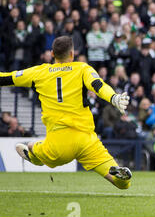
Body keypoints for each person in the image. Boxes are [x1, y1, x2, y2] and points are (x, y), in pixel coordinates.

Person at [0, 36, 132, 189]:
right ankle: (118, 175)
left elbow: (6, 78)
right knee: (123, 185)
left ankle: (33, 152)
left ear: (52, 54)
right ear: (72, 54)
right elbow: (98, 85)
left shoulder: (39, 72)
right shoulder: (82, 68)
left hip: (59, 143)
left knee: (31, 145)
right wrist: (114, 97)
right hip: (86, 139)